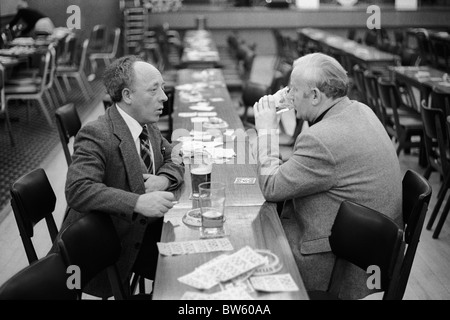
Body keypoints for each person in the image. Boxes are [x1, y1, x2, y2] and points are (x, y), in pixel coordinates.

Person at [251, 53, 403, 299]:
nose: (289, 96)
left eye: (293, 89)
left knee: (252, 248)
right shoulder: (360, 110)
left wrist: (267, 131)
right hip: (373, 255)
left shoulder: (320, 139)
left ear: (315, 96)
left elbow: (270, 186)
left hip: (339, 265)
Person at [58, 55, 185, 298]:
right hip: (114, 246)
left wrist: (164, 180)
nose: (164, 97)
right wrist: (137, 202)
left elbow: (175, 156)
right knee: (186, 267)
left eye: (163, 88)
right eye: (154, 90)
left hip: (142, 230)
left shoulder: (147, 122)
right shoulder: (97, 133)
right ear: (127, 96)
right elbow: (78, 189)